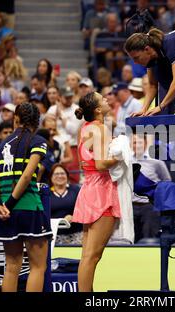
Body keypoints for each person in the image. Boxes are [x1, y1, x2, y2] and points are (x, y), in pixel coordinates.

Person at [0, 102, 52, 292]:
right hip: (29, 208)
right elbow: (26, 176)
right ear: (37, 121)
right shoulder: (38, 141)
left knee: (12, 266)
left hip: (5, 213)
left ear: (16, 118)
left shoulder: (0, 146)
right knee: (38, 267)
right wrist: (10, 203)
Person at [73, 92, 121, 292]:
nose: (108, 99)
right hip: (102, 190)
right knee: (92, 256)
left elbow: (87, 161)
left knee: (88, 255)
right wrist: (121, 156)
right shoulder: (101, 128)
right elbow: (102, 164)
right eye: (103, 99)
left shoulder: (84, 128)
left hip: (88, 189)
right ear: (98, 110)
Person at [132, 133, 171, 243]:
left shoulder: (156, 163)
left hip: (149, 207)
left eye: (139, 142)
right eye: (134, 142)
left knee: (150, 239)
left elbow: (167, 183)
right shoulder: (126, 162)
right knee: (132, 238)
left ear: (145, 143)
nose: (137, 145)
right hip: (131, 206)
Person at [49, 164, 82, 245]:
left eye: (62, 173)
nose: (60, 176)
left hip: (75, 235)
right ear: (51, 177)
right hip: (53, 236)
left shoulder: (76, 190)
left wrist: (74, 217)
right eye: (56, 174)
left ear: (67, 176)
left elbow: (84, 209)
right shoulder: (46, 194)